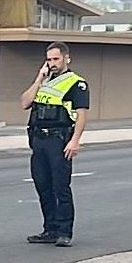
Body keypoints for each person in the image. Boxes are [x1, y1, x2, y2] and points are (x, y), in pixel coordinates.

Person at [19, 41, 89, 247]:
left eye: (56, 59)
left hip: (59, 140)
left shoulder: (77, 83)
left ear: (67, 58)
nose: (52, 63)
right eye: (49, 59)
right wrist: (39, 78)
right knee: (43, 186)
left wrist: (75, 140)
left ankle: (64, 231)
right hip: (39, 140)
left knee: (60, 187)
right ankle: (49, 229)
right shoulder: (45, 82)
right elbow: (24, 102)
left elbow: (82, 114)